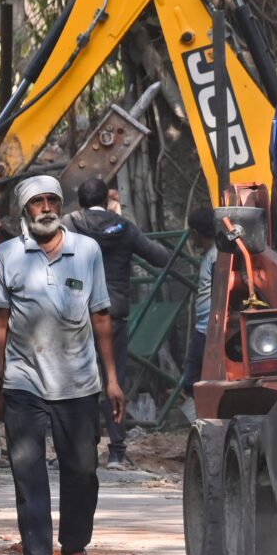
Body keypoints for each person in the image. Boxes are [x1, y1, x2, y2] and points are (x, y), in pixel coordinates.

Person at [0, 176, 122, 555]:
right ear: (23, 210)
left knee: (82, 469)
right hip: (24, 380)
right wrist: (1, 381)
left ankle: (76, 550)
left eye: (51, 200)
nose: (45, 207)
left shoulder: (87, 250)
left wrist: (112, 379)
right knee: (27, 471)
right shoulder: (9, 254)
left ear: (60, 206)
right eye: (36, 202)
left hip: (79, 380)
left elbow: (100, 315)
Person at [69, 176, 173, 464]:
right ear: (105, 201)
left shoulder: (69, 225)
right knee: (114, 380)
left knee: (79, 382)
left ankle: (84, 448)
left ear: (81, 202)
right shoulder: (124, 228)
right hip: (113, 314)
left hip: (76, 316)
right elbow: (161, 257)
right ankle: (116, 451)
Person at [181, 206, 221, 388]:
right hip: (204, 327)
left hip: (207, 329)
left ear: (196, 232)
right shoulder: (212, 254)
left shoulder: (215, 256)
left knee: (192, 380)